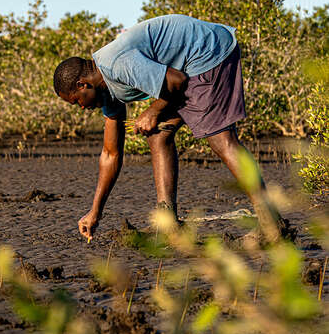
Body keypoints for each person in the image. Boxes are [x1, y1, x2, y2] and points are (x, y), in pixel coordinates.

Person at [53, 14, 289, 243]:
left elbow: (176, 82)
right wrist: (95, 212)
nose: (82, 108)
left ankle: (271, 223)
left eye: (77, 101)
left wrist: (153, 111)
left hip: (208, 53)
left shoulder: (118, 65)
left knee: (221, 140)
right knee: (158, 136)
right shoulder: (105, 90)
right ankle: (169, 225)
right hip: (188, 67)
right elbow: (110, 154)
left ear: (82, 84)